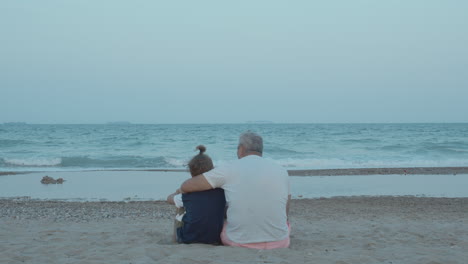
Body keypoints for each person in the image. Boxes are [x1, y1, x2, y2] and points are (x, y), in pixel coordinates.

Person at [179, 132, 291, 249]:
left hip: (238, 242)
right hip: (280, 242)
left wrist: (180, 190)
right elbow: (285, 211)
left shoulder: (228, 168)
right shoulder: (282, 171)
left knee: (224, 221)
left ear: (241, 149)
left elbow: (187, 186)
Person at [166, 145, 226, 244]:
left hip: (188, 238)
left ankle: (175, 239)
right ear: (212, 170)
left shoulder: (188, 194)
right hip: (214, 239)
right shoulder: (221, 192)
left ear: (191, 172)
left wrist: (178, 192)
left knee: (180, 207)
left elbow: (169, 199)